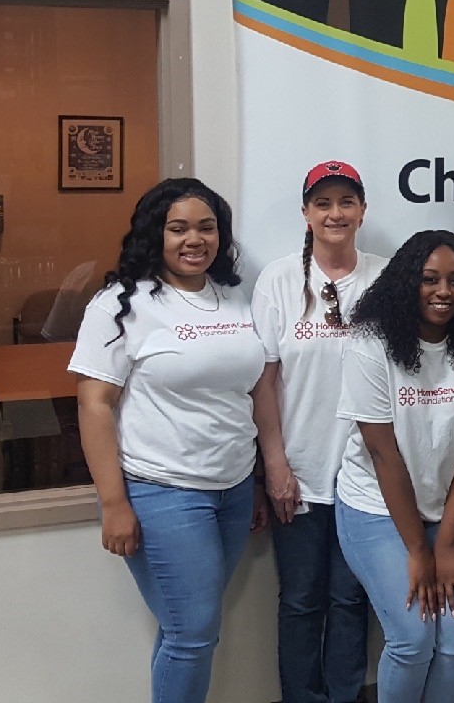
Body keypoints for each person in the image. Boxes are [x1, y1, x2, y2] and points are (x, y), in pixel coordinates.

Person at [70, 178, 268, 703]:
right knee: (193, 632)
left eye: (207, 227)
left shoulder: (230, 294)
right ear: (154, 234)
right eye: (178, 228)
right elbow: (94, 405)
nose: (194, 239)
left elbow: (250, 389)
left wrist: (259, 479)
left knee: (186, 631)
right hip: (164, 492)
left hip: (233, 489)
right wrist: (114, 503)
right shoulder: (119, 304)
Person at [336, 230, 454, 703]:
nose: (443, 291)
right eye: (429, 279)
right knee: (413, 640)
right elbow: (381, 453)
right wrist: (419, 550)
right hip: (378, 508)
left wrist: (448, 544)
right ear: (405, 282)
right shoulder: (370, 344)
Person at [250, 161, 385, 703]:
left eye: (346, 202)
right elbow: (264, 381)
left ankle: (346, 695)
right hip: (300, 473)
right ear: (306, 214)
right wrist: (275, 466)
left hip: (366, 475)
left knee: (352, 599)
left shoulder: (385, 278)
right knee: (302, 600)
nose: (336, 213)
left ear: (362, 211)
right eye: (323, 203)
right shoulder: (279, 280)